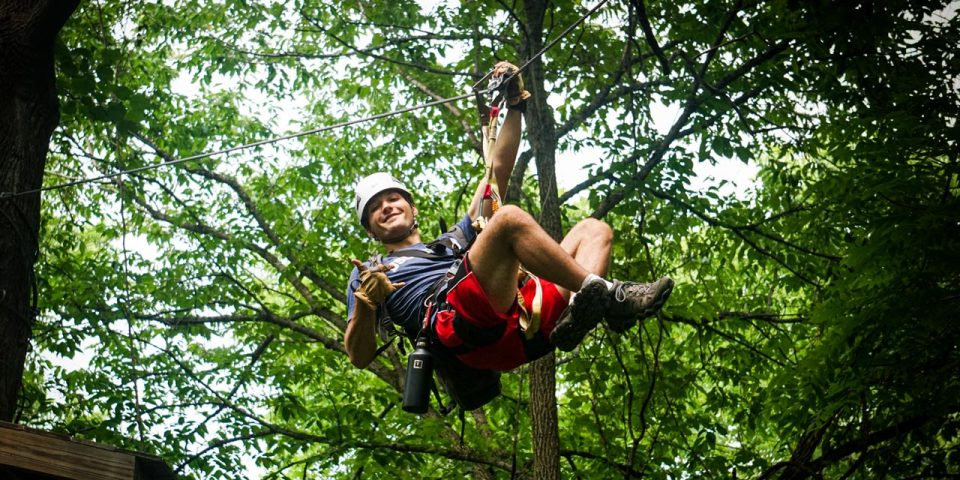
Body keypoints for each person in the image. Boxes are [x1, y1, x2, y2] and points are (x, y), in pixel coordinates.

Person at [344, 61, 673, 372]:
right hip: (458, 324)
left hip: (523, 326)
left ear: (412, 209)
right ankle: (612, 297)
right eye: (375, 208)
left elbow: (497, 171)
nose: (386, 207)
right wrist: (365, 303)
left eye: (393, 199)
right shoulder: (371, 275)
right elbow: (358, 357)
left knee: (593, 230)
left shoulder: (455, 241)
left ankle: (578, 312)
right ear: (371, 231)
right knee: (507, 219)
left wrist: (515, 104)